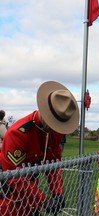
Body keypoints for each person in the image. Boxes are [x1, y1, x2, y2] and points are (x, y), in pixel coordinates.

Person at [0, 81, 79, 215]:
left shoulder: (54, 133)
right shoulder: (18, 134)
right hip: (8, 195)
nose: (56, 129)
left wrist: (58, 193)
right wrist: (42, 200)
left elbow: (54, 165)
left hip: (30, 191)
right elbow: (14, 178)